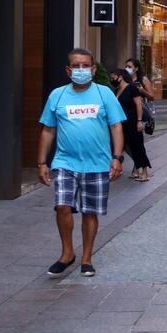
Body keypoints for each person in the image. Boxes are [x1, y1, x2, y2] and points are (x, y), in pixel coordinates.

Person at [38, 48, 124, 278]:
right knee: (62, 205)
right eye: (76, 66)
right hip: (65, 162)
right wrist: (41, 163)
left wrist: (117, 158)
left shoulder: (104, 93)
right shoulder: (57, 95)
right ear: (68, 70)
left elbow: (116, 126)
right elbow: (48, 130)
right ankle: (67, 253)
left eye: (85, 66)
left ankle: (86, 258)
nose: (81, 70)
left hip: (97, 164)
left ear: (93, 69)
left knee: (90, 212)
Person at [112, 69, 151, 181]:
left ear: (120, 77)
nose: (112, 79)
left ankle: (144, 172)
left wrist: (139, 121)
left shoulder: (132, 88)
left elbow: (139, 104)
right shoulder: (116, 90)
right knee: (128, 147)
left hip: (133, 122)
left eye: (114, 77)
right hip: (121, 123)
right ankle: (137, 168)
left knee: (138, 146)